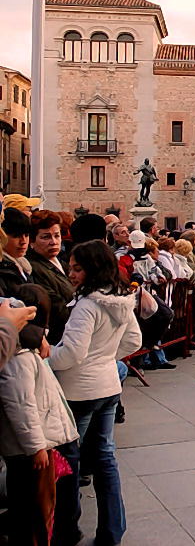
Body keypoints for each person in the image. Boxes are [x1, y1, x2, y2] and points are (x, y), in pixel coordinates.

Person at [50, 240, 142, 546]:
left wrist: (46, 356)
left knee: (69, 459)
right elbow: (133, 340)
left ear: (92, 269)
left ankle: (67, 528)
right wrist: (105, 358)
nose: (71, 274)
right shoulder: (120, 299)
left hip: (79, 389)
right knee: (104, 457)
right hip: (107, 385)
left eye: (77, 268)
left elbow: (71, 353)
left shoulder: (87, 305)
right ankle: (112, 530)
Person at [0, 285, 79, 546]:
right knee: (31, 512)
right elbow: (21, 405)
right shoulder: (18, 357)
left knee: (40, 508)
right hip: (29, 450)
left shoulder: (26, 352)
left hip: (38, 444)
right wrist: (36, 447)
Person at [28, 210, 75, 345]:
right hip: (58, 340)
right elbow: (57, 308)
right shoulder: (33, 268)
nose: (53, 242)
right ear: (32, 240)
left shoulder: (64, 263)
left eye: (57, 236)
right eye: (46, 237)